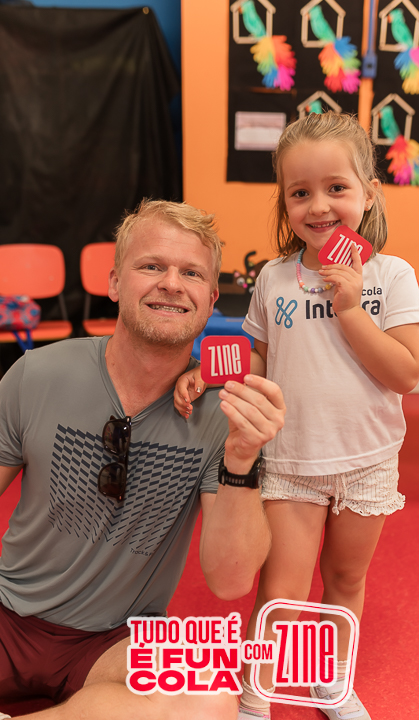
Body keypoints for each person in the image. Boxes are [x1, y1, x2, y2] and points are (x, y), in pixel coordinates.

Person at [174, 112, 419, 720]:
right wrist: (207, 370)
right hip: (293, 460)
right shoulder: (275, 278)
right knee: (283, 591)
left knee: (345, 582)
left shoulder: (391, 276)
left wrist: (351, 309)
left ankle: (331, 683)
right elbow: (261, 357)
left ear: (369, 193)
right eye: (300, 193)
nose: (319, 206)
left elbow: (406, 372)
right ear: (285, 202)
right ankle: (255, 696)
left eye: (336, 187)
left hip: (368, 463)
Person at [0, 199, 286, 720]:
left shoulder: (223, 413)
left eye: (192, 273)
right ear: (114, 283)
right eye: (152, 266)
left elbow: (230, 582)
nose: (172, 284)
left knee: (209, 699)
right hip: (7, 613)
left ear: (210, 299)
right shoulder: (36, 373)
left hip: (114, 641)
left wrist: (242, 460)